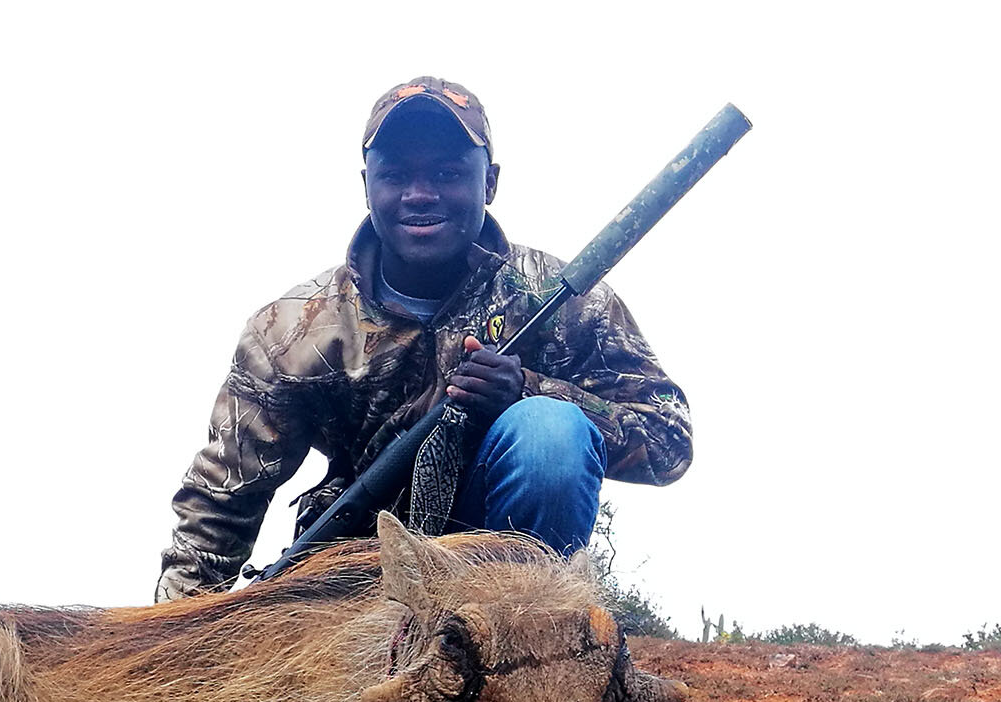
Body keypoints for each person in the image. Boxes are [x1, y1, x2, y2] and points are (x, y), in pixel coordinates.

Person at [155, 76, 692, 602]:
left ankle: (530, 650)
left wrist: (527, 391)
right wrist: (170, 646)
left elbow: (669, 442)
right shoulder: (289, 331)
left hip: (505, 575)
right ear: (366, 183)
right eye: (396, 175)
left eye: (447, 172)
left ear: (490, 182)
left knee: (549, 431)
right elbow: (219, 503)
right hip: (357, 570)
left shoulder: (566, 297)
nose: (419, 194)